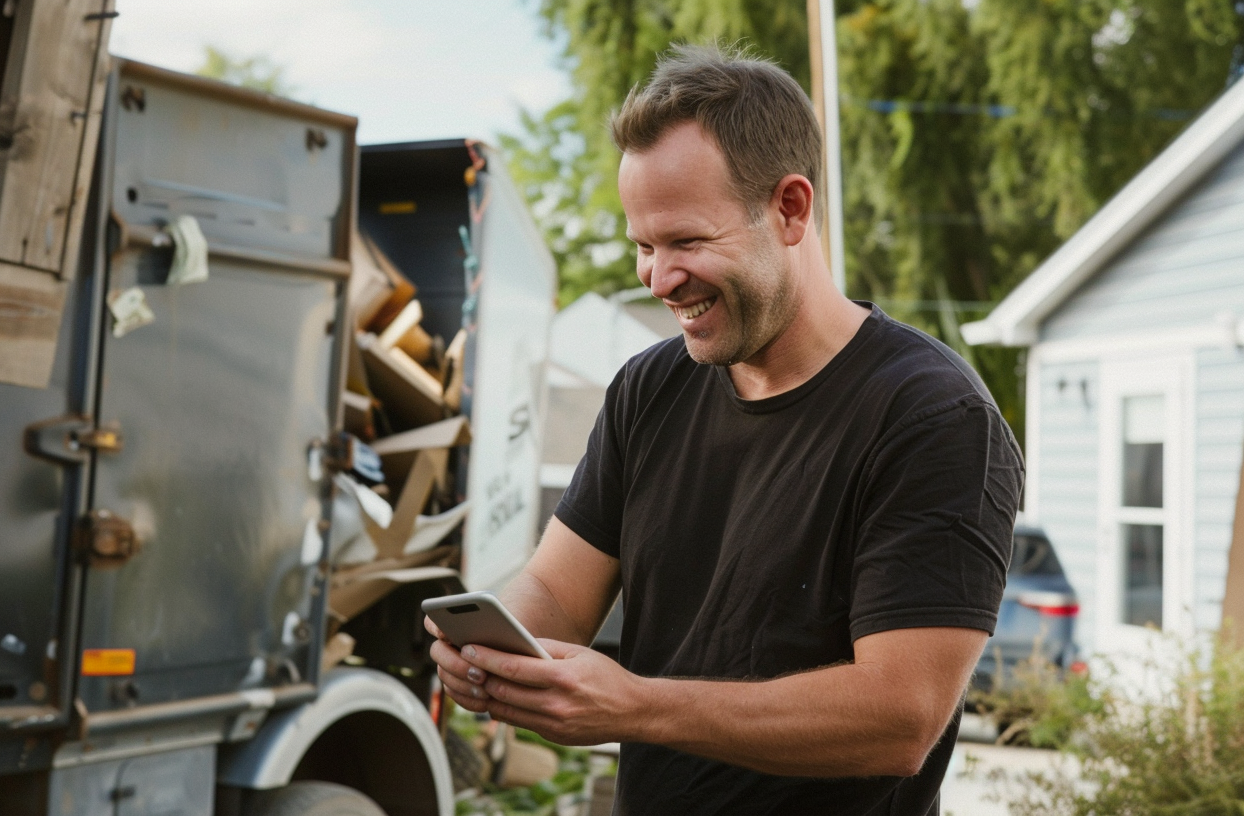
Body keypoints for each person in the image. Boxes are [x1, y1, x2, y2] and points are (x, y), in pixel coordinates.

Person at [427, 44, 1023, 815]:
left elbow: (899, 717)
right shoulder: (649, 388)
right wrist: (497, 653)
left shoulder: (932, 417)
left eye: (687, 242)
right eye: (644, 246)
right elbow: (553, 588)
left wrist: (634, 705)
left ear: (790, 208)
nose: (657, 279)